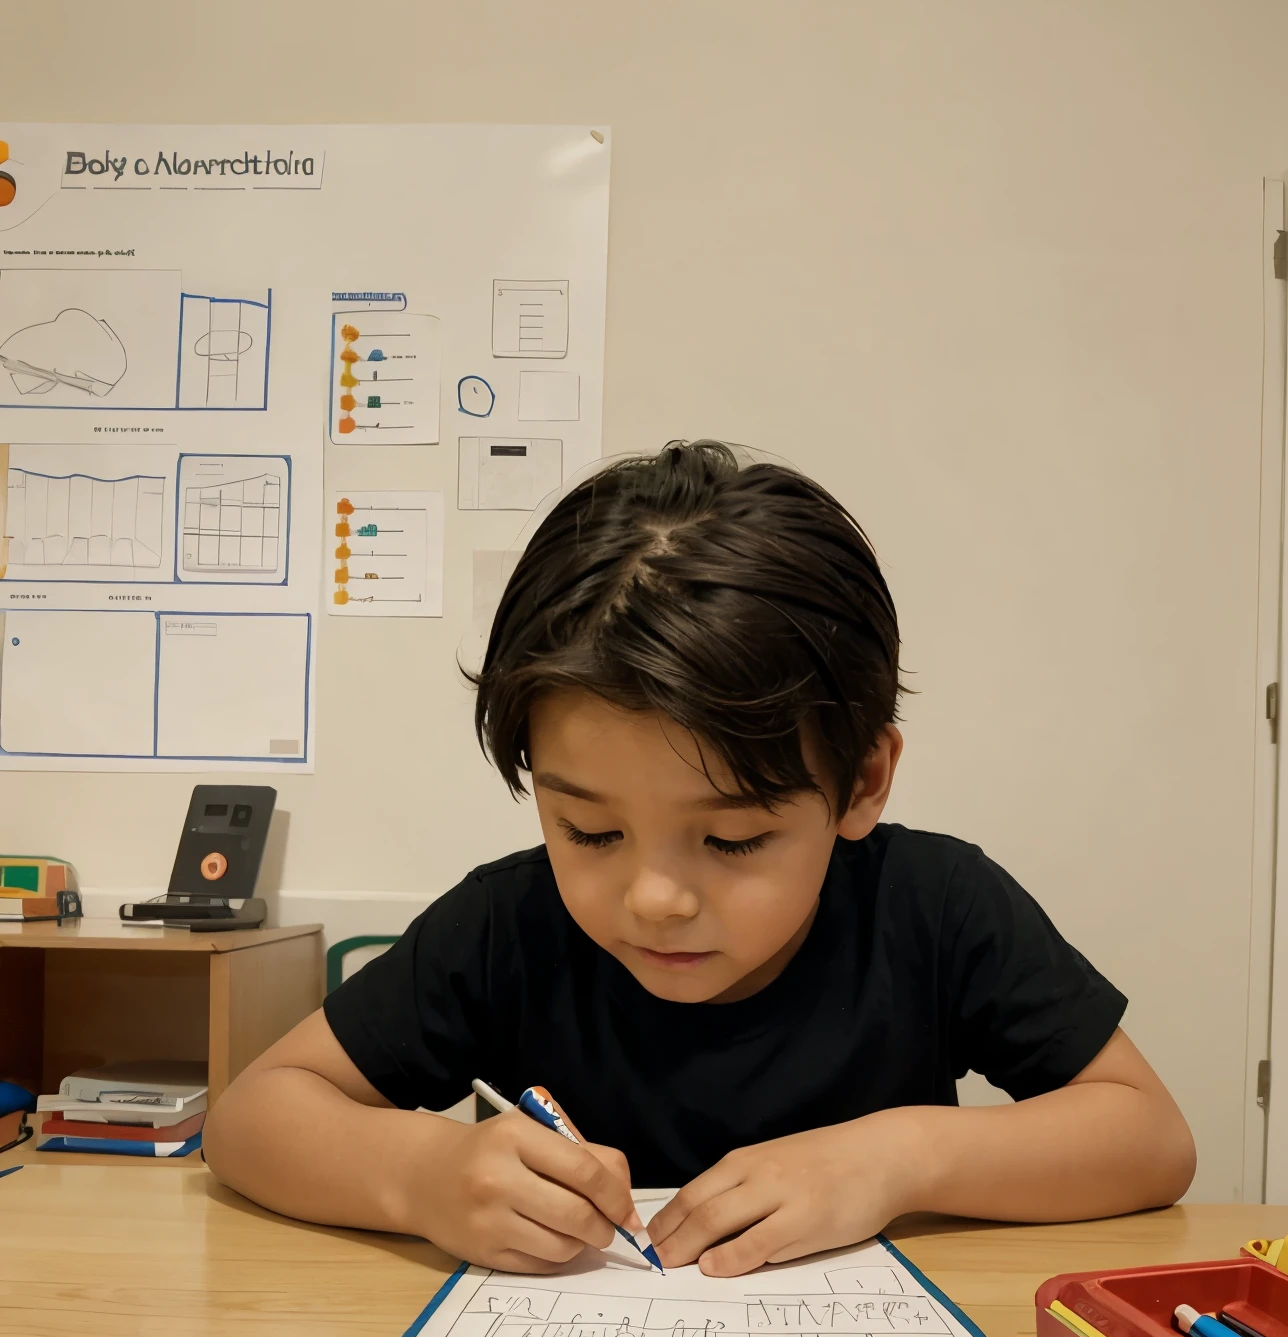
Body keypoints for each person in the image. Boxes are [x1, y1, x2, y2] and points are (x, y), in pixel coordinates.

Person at [204, 440, 1196, 1277]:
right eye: (589, 831)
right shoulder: (509, 926)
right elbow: (250, 1120)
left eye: (732, 838)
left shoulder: (932, 907)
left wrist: (900, 1156)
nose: (655, 897)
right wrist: (420, 1175)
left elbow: (1149, 1141)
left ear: (861, 784)